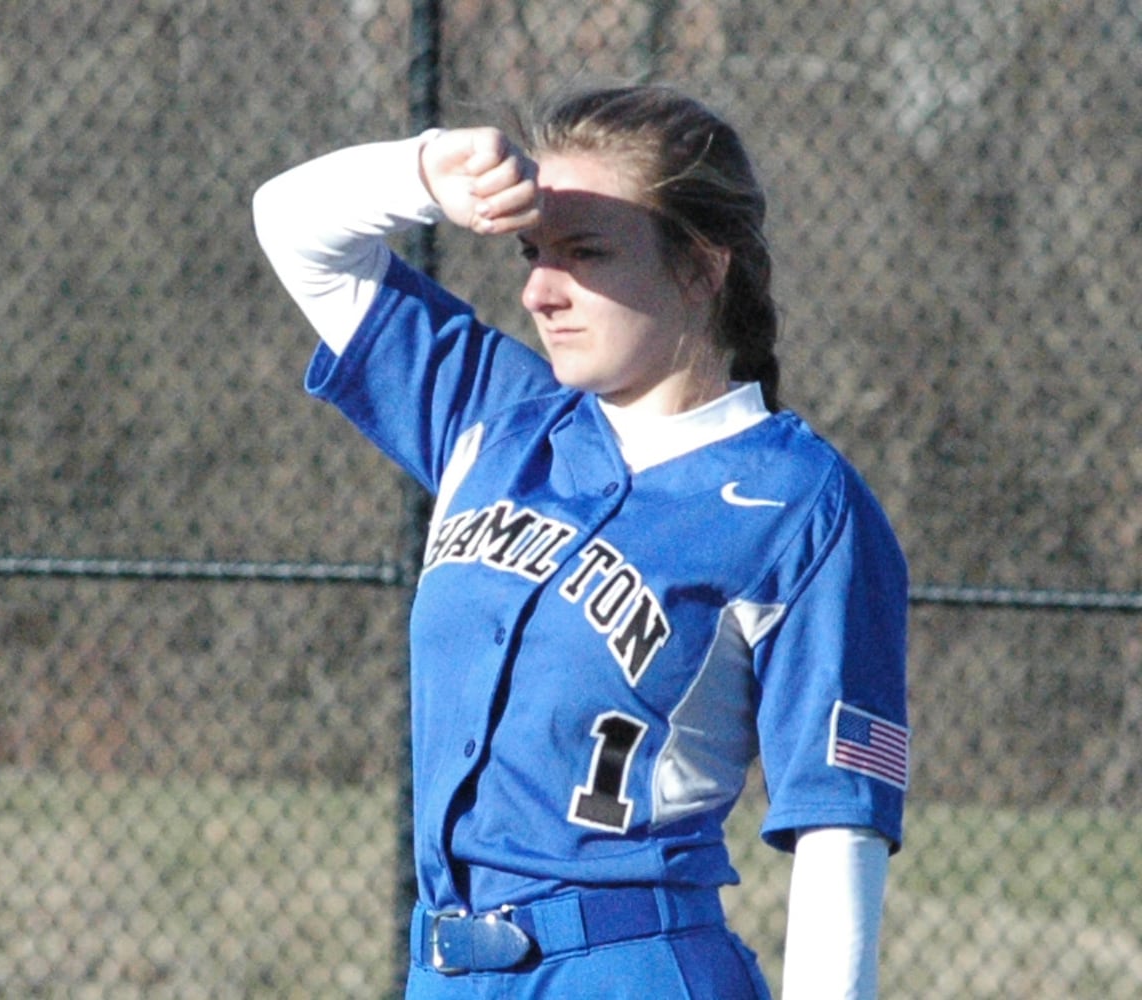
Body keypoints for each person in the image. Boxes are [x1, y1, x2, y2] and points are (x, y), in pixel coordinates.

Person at [253, 83, 909, 1000]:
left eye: (585, 252)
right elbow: (293, 227)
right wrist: (426, 170)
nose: (538, 289)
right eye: (531, 252)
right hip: (445, 971)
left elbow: (839, 826)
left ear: (702, 267)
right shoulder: (495, 416)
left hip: (630, 968)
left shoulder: (801, 500)